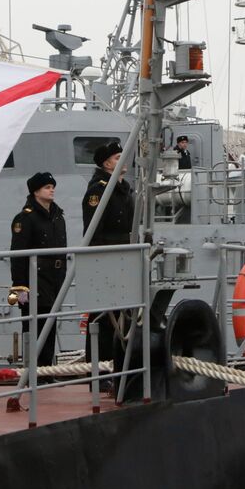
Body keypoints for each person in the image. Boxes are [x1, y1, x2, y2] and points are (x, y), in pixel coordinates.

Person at [82, 140, 135, 361]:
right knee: (103, 315)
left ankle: (120, 367)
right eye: (116, 157)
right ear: (106, 164)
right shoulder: (99, 190)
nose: (122, 160)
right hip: (106, 257)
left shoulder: (124, 188)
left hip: (125, 257)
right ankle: (100, 369)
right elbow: (94, 230)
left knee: (125, 314)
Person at [10, 172, 67, 368]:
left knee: (49, 324)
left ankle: (45, 369)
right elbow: (18, 255)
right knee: (34, 326)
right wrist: (20, 288)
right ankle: (33, 371)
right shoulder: (25, 219)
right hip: (35, 279)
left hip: (55, 278)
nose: (51, 190)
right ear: (36, 191)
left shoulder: (58, 217)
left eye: (52, 186)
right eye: (46, 187)